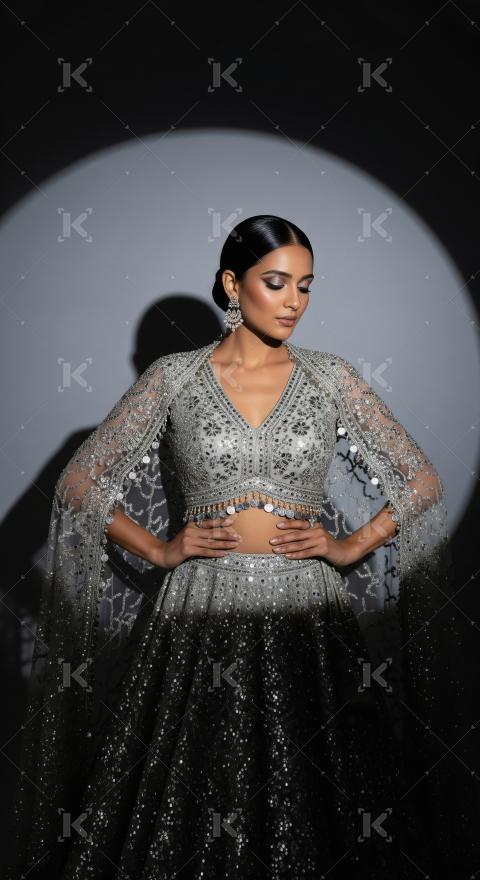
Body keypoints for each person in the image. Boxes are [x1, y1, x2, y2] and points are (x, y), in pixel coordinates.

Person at [7, 215, 475, 879]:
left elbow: (421, 479)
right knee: (193, 796)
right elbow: (81, 483)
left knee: (323, 797)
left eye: (306, 287)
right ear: (233, 283)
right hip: (199, 608)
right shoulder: (173, 378)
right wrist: (162, 551)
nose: (294, 302)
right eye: (276, 283)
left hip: (308, 612)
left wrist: (350, 548)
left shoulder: (331, 377)